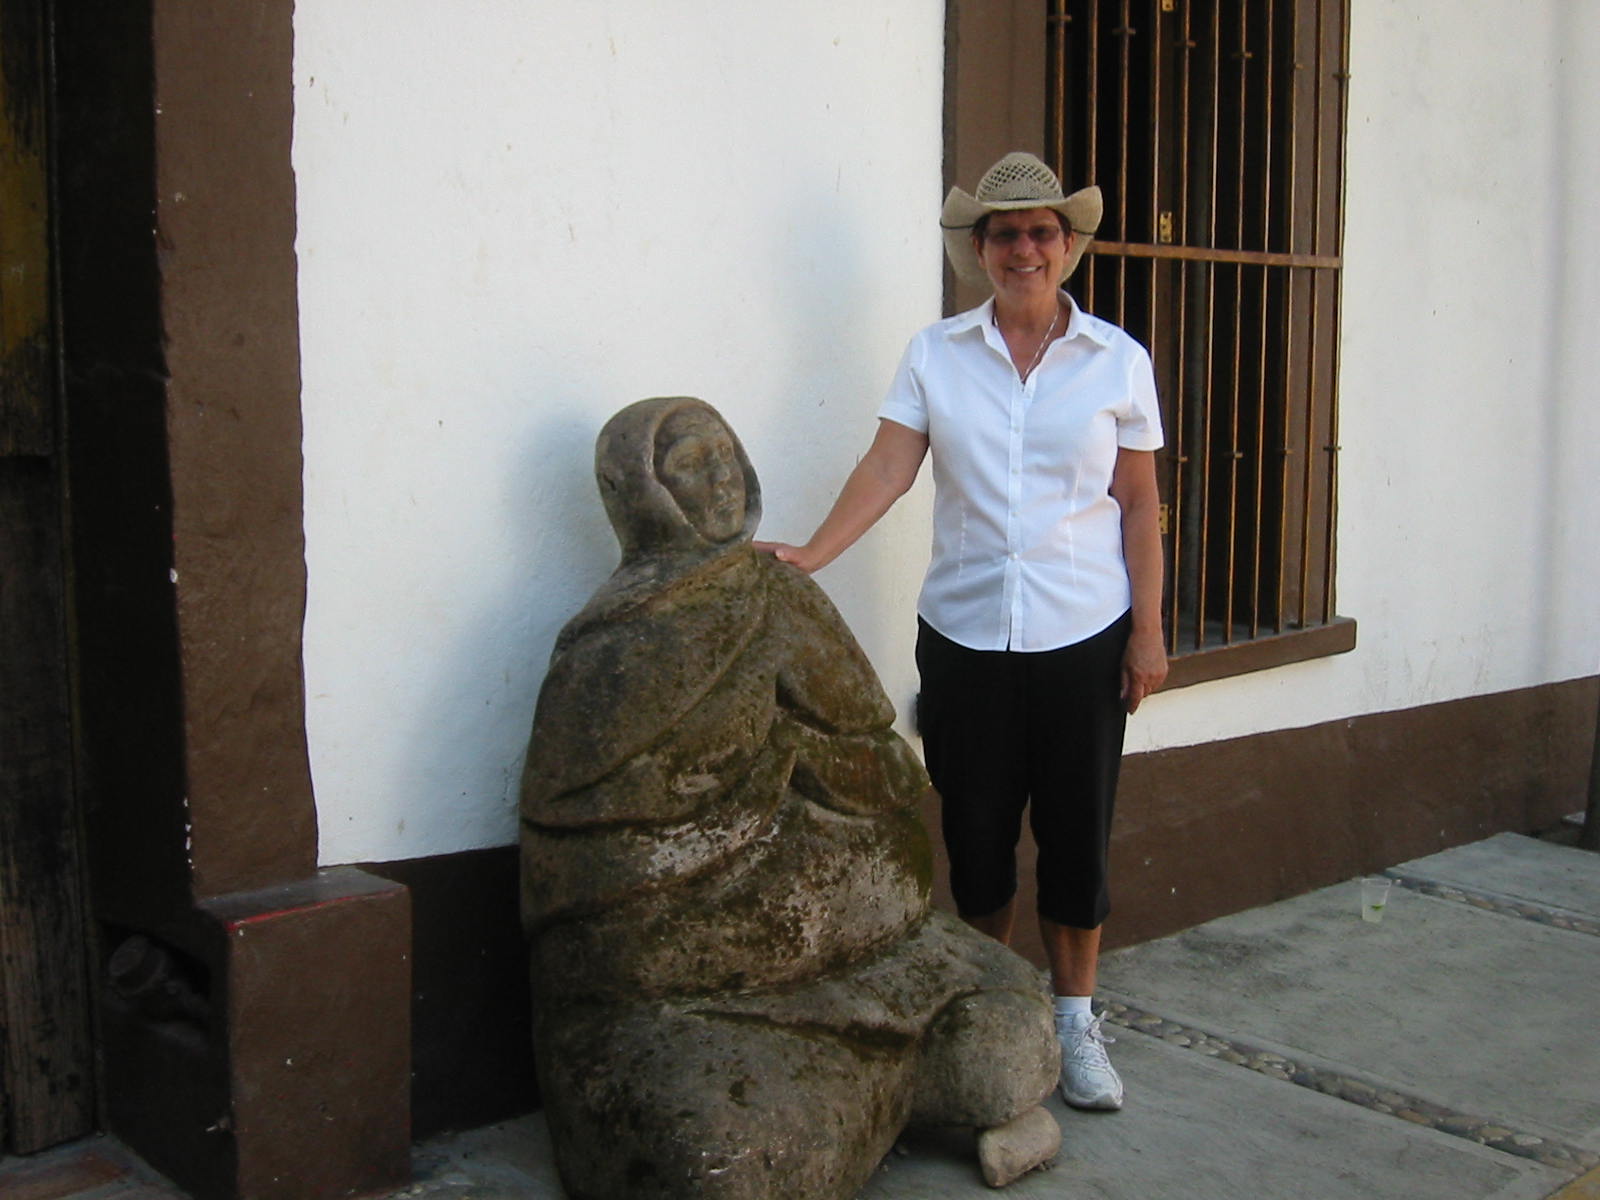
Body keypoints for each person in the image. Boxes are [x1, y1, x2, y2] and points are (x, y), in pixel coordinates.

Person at [757, 151, 1168, 1112]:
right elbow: (890, 465)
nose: (1024, 247)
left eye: (1041, 232)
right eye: (1004, 233)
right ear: (979, 250)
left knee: (1078, 839)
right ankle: (994, 1007)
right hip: (967, 638)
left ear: (1067, 246)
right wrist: (815, 553)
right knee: (978, 837)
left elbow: (1140, 505)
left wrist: (1148, 632)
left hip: (1084, 636)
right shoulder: (935, 353)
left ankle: (1072, 1020)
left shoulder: (1117, 360)